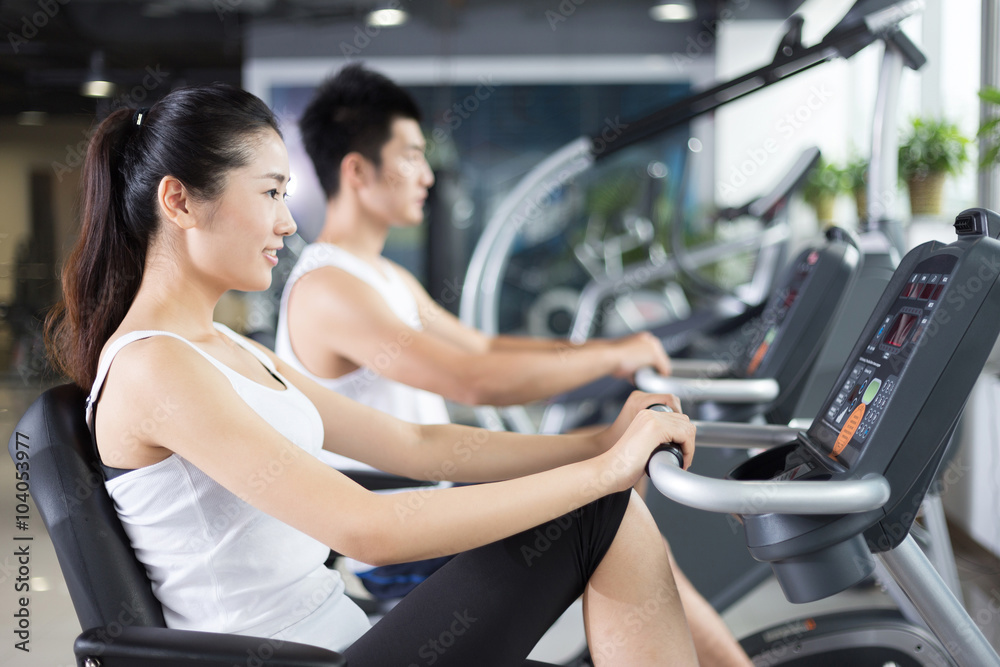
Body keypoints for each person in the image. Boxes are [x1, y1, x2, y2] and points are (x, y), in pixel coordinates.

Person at [46, 83, 702, 666]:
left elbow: (420, 446)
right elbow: (365, 529)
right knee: (599, 512)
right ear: (180, 202)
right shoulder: (153, 366)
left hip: (346, 638)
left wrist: (602, 443)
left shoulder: (223, 345)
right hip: (312, 656)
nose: (287, 221)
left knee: (602, 510)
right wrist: (604, 473)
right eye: (271, 192)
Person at [277, 64, 752, 667]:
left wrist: (607, 353)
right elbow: (469, 381)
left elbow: (478, 350)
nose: (427, 176)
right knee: (611, 518)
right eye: (413, 156)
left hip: (435, 501)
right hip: (402, 538)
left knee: (632, 535)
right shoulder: (328, 289)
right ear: (357, 170)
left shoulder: (382, 276)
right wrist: (611, 359)